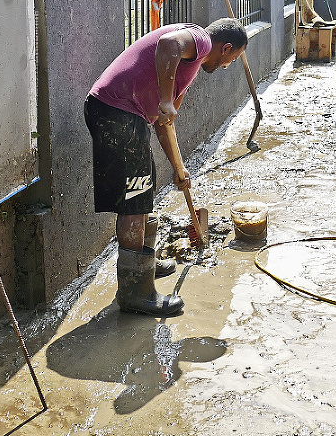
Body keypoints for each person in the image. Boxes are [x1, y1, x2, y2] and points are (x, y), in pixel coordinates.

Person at [85, 18, 248, 314]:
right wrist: (163, 99)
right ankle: (136, 293)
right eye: (232, 59)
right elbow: (168, 45)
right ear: (225, 49)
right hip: (116, 112)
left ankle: (143, 266)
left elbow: (165, 123)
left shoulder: (189, 68)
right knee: (134, 199)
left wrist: (178, 168)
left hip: (121, 114)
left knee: (143, 187)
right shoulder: (200, 41)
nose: (227, 66)